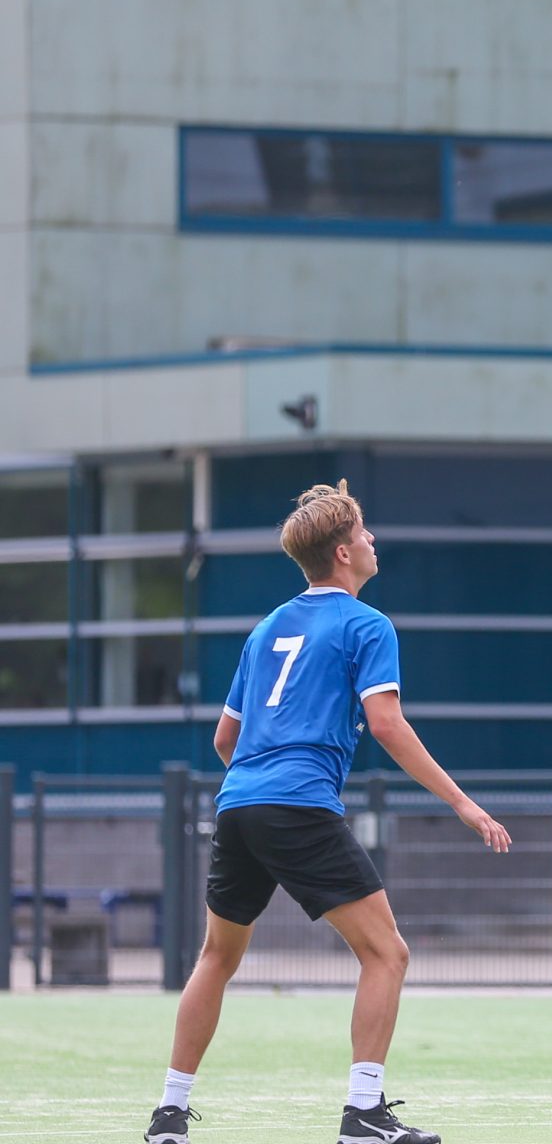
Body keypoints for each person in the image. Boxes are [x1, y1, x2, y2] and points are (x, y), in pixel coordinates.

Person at [142, 483, 512, 1144]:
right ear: (343, 553)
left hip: (239, 806)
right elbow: (388, 726)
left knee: (216, 958)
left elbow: (225, 741)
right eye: (366, 533)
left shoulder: (265, 629)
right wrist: (463, 803)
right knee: (387, 954)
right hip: (299, 805)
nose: (374, 541)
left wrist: (261, 786)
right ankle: (363, 1113)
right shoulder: (368, 625)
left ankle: (169, 1114)